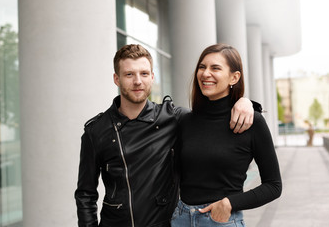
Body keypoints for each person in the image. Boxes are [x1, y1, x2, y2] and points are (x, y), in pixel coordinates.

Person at [74, 44, 257, 227]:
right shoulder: (96, 131)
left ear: (152, 77)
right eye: (129, 74)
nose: (138, 81)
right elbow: (86, 195)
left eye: (144, 74)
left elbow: (212, 115)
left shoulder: (173, 118)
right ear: (116, 79)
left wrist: (245, 102)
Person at [171, 44, 282, 227]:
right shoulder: (185, 120)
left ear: (234, 77)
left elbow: (273, 186)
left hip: (220, 220)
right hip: (180, 219)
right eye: (202, 67)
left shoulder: (251, 122)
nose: (206, 73)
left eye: (215, 68)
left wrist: (230, 203)